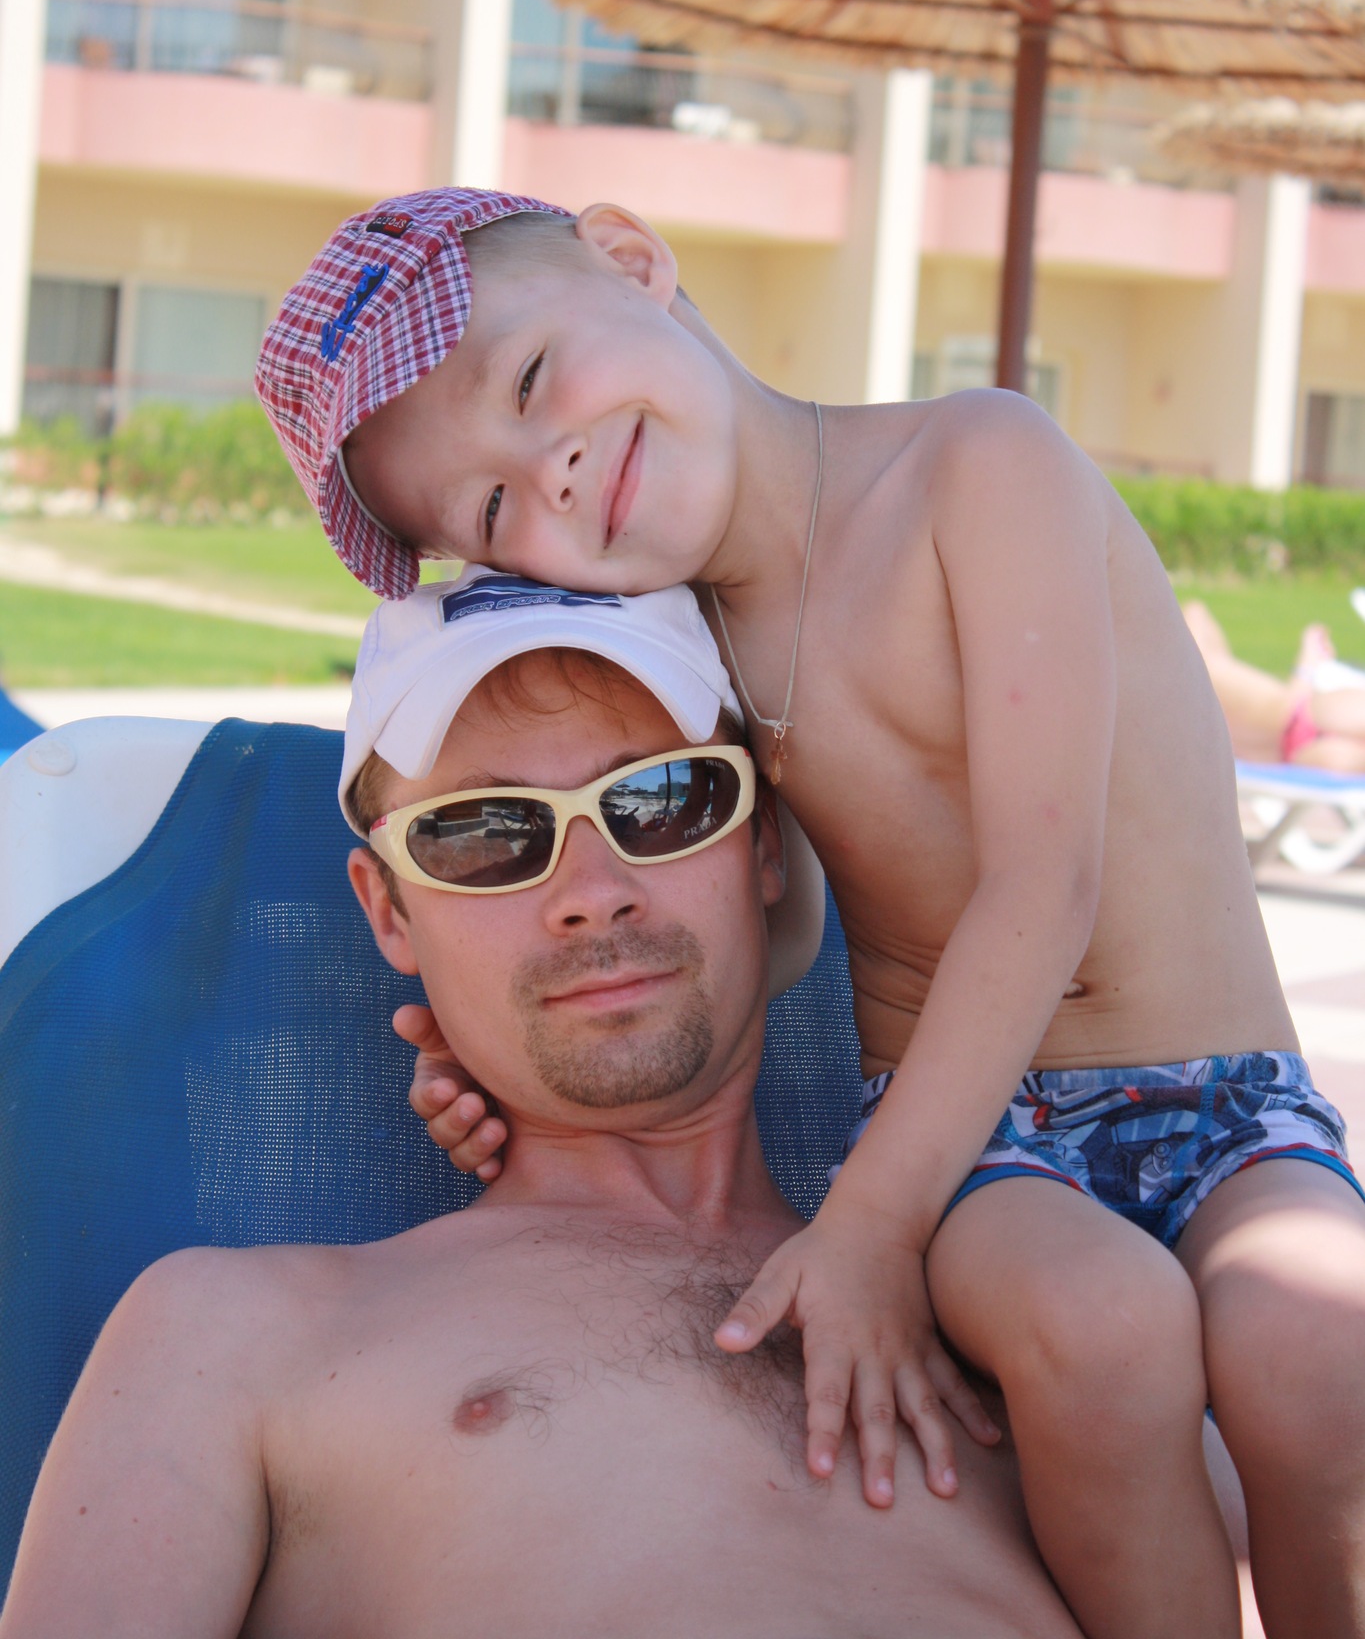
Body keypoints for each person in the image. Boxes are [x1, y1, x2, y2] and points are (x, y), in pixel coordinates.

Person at [256, 186, 1365, 1639]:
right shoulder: (688, 647)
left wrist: (867, 1228)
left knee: (1312, 1341)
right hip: (976, 1140)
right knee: (1099, 1328)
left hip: (1222, 1093)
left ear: (633, 260)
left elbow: (1048, 880)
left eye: (530, 381)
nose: (554, 472)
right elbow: (764, 940)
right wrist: (519, 1068)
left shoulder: (978, 463)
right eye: (493, 512)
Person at [0, 582, 1084, 1639]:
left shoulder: (1025, 1316)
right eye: (484, 834)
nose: (592, 890)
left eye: (664, 798)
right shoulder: (232, 1332)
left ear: (762, 845)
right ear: (390, 912)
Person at [1185, 601, 1365, 773]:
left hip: (1288, 720)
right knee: (1195, 625)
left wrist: (1306, 668)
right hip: (1289, 739)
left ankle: (1309, 663)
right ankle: (1309, 664)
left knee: (1194, 617)